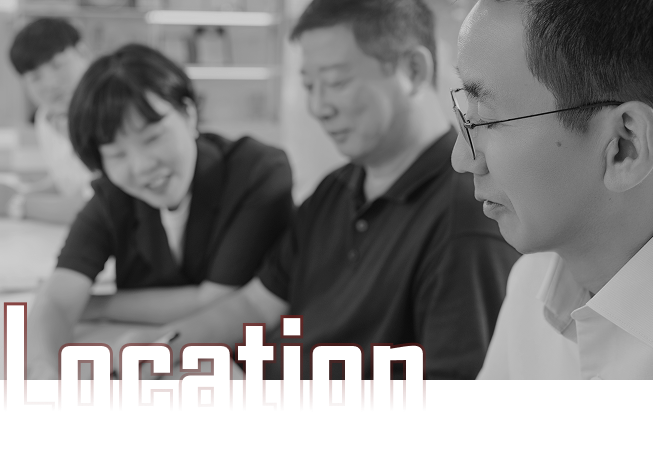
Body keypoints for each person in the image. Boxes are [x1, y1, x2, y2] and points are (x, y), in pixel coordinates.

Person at [154, 0, 519, 380]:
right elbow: (255, 306)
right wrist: (157, 351)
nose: (318, 107)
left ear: (413, 70)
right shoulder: (334, 190)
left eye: (336, 83)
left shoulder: (466, 219)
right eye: (309, 86)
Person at [455, 0, 653, 379]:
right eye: (466, 116)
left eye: (486, 120)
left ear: (625, 147)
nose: (461, 159)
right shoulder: (536, 279)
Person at [23, 44, 294, 378]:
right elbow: (56, 300)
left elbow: (217, 299)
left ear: (188, 114)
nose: (141, 167)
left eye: (152, 138)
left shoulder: (256, 172)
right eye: (117, 154)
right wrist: (44, 374)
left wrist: (94, 304)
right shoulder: (113, 195)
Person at [3, 17, 96, 224]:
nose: (51, 84)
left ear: (83, 53)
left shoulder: (108, 113)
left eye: (57, 65)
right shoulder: (45, 118)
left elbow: (97, 206)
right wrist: (23, 191)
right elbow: (70, 182)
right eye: (35, 77)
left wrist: (17, 203)